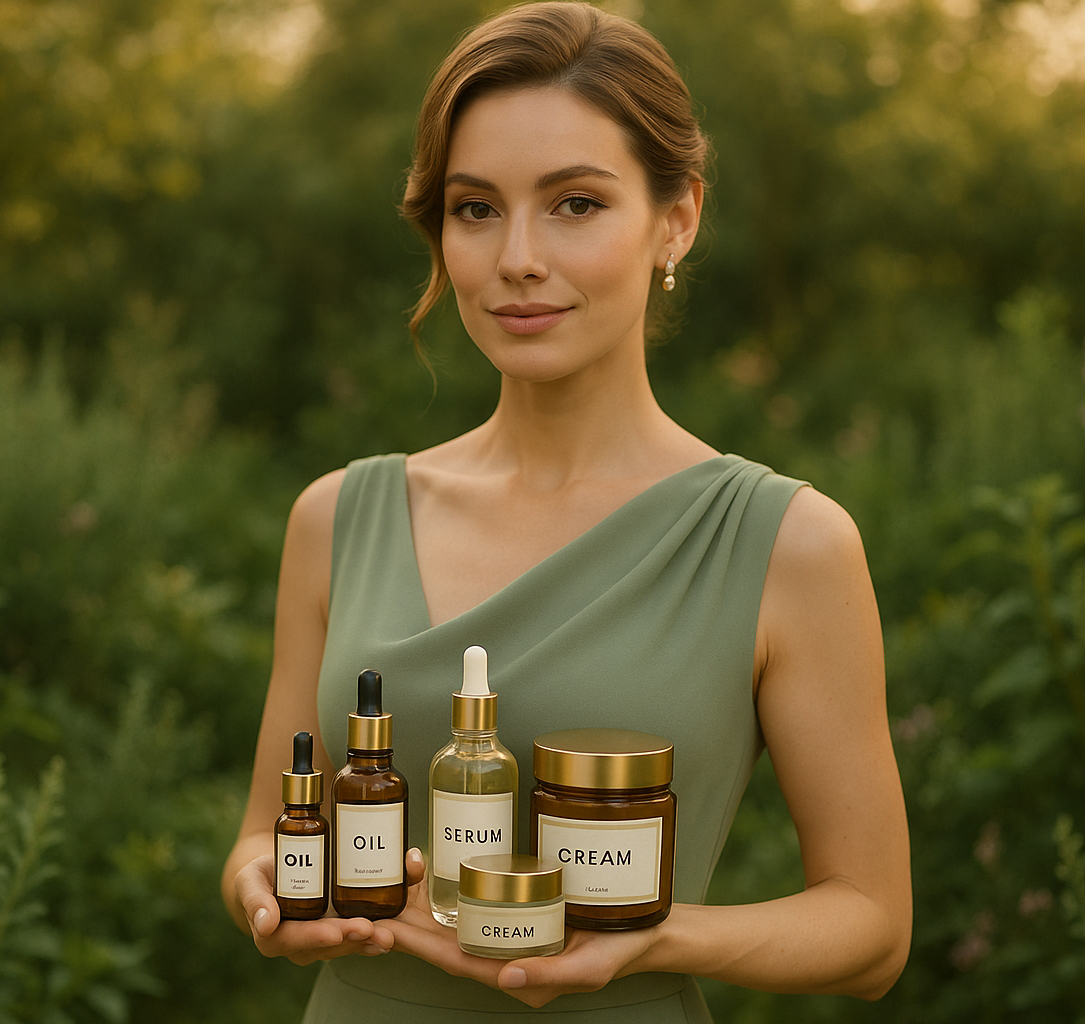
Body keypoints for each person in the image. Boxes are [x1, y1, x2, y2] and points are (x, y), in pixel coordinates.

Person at [221, 2, 911, 1020]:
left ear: (676, 218)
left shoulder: (785, 545)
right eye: (476, 208)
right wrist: (261, 890)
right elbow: (265, 834)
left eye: (576, 204)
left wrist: (656, 938)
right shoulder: (336, 518)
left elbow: (872, 926)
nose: (518, 259)